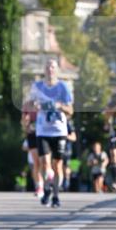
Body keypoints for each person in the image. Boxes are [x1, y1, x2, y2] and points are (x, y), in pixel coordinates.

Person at [24, 58, 74, 208]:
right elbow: (28, 105)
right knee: (45, 163)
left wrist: (60, 106)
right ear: (44, 70)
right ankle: (47, 188)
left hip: (59, 130)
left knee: (57, 165)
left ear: (57, 70)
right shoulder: (37, 86)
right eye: (47, 67)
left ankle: (56, 196)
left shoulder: (63, 87)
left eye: (52, 67)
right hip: (43, 130)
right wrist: (34, 105)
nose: (50, 70)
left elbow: (71, 110)